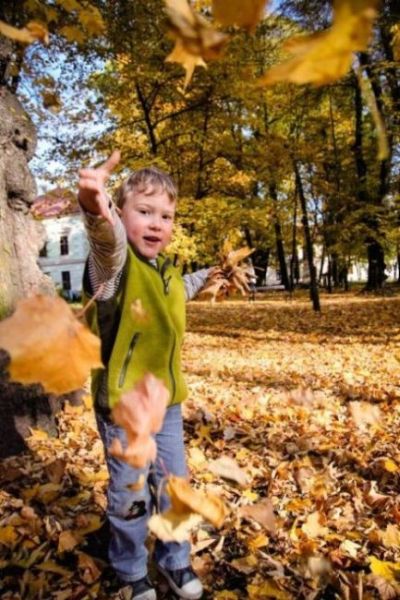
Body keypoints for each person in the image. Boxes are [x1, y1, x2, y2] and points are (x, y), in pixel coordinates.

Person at [78, 151, 210, 600]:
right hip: (124, 406)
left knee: (175, 485)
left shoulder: (167, 274)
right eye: (144, 212)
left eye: (166, 216)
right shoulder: (114, 269)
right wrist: (95, 208)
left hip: (167, 405)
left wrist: (213, 275)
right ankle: (131, 570)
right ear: (122, 212)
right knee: (132, 493)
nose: (156, 223)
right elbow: (106, 243)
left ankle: (175, 561)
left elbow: (180, 289)